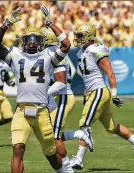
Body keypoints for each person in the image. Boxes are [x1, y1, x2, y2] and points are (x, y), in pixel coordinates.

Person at [0, 6, 77, 173]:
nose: (32, 43)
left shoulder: (48, 57)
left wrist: (50, 23)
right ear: (23, 42)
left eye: (35, 39)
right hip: (22, 110)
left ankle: (64, 170)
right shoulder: (15, 56)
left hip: (42, 111)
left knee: (51, 155)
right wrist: (6, 23)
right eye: (28, 40)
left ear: (41, 42)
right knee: (17, 148)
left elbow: (66, 44)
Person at [63, 23, 134, 170]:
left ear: (89, 36)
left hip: (99, 91)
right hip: (91, 92)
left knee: (84, 124)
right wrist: (86, 95)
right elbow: (87, 78)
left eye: (81, 35)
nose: (77, 38)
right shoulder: (81, 52)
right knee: (111, 127)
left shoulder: (96, 50)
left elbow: (110, 72)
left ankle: (78, 159)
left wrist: (114, 93)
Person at [40, 27, 93, 173]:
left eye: (40, 38)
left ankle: (67, 169)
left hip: (63, 96)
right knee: (48, 133)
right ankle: (79, 134)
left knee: (54, 136)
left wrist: (43, 93)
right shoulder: (50, 52)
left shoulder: (54, 53)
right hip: (59, 97)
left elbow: (61, 82)